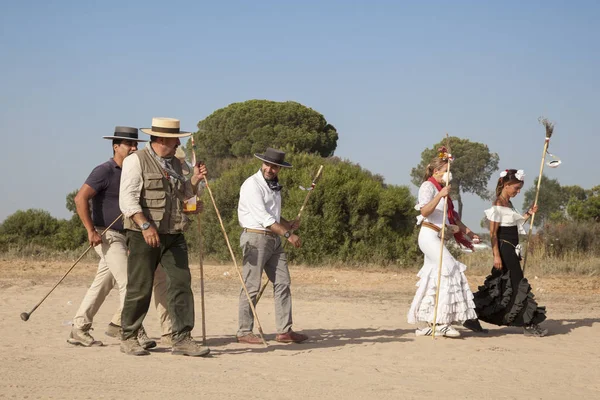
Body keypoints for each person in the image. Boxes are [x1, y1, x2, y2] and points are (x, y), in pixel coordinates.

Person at [67, 126, 172, 348]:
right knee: (130, 282)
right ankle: (133, 330)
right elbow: (80, 199)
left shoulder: (137, 168)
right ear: (116, 146)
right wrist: (90, 231)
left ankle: (80, 327)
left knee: (102, 283)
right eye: (129, 144)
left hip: (128, 235)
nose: (134, 148)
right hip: (107, 235)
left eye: (136, 144)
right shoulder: (104, 170)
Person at [119, 117, 210, 356]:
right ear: (161, 139)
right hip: (143, 233)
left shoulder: (178, 164)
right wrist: (146, 225)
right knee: (140, 286)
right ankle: (128, 336)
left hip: (174, 232)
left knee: (181, 282)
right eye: (175, 138)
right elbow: (127, 200)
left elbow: (183, 193)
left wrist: (195, 180)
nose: (179, 142)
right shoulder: (135, 161)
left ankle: (182, 338)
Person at [236, 148, 308, 345]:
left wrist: (287, 223)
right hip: (256, 237)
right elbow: (264, 218)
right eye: (268, 165)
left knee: (283, 282)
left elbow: (273, 215)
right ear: (262, 164)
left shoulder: (274, 185)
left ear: (279, 169)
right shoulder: (252, 185)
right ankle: (244, 331)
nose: (270, 169)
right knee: (251, 285)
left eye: (274, 166)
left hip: (273, 239)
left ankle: (284, 330)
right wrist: (288, 234)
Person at [407, 147, 479, 337]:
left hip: (440, 238)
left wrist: (470, 234)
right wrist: (440, 195)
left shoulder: (443, 191)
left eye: (449, 170)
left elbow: (453, 218)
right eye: (446, 170)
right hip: (428, 235)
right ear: (436, 171)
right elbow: (424, 212)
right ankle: (443, 321)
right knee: (450, 269)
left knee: (434, 278)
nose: (448, 174)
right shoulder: (428, 187)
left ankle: (432, 321)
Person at [472, 169, 547, 337]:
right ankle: (528, 323)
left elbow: (514, 224)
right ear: (506, 185)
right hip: (504, 249)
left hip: (513, 249)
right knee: (517, 283)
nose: (518, 191)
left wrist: (529, 213)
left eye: (520, 188)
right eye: (516, 188)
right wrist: (496, 256)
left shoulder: (509, 204)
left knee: (501, 286)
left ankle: (471, 312)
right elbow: (493, 234)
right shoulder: (498, 204)